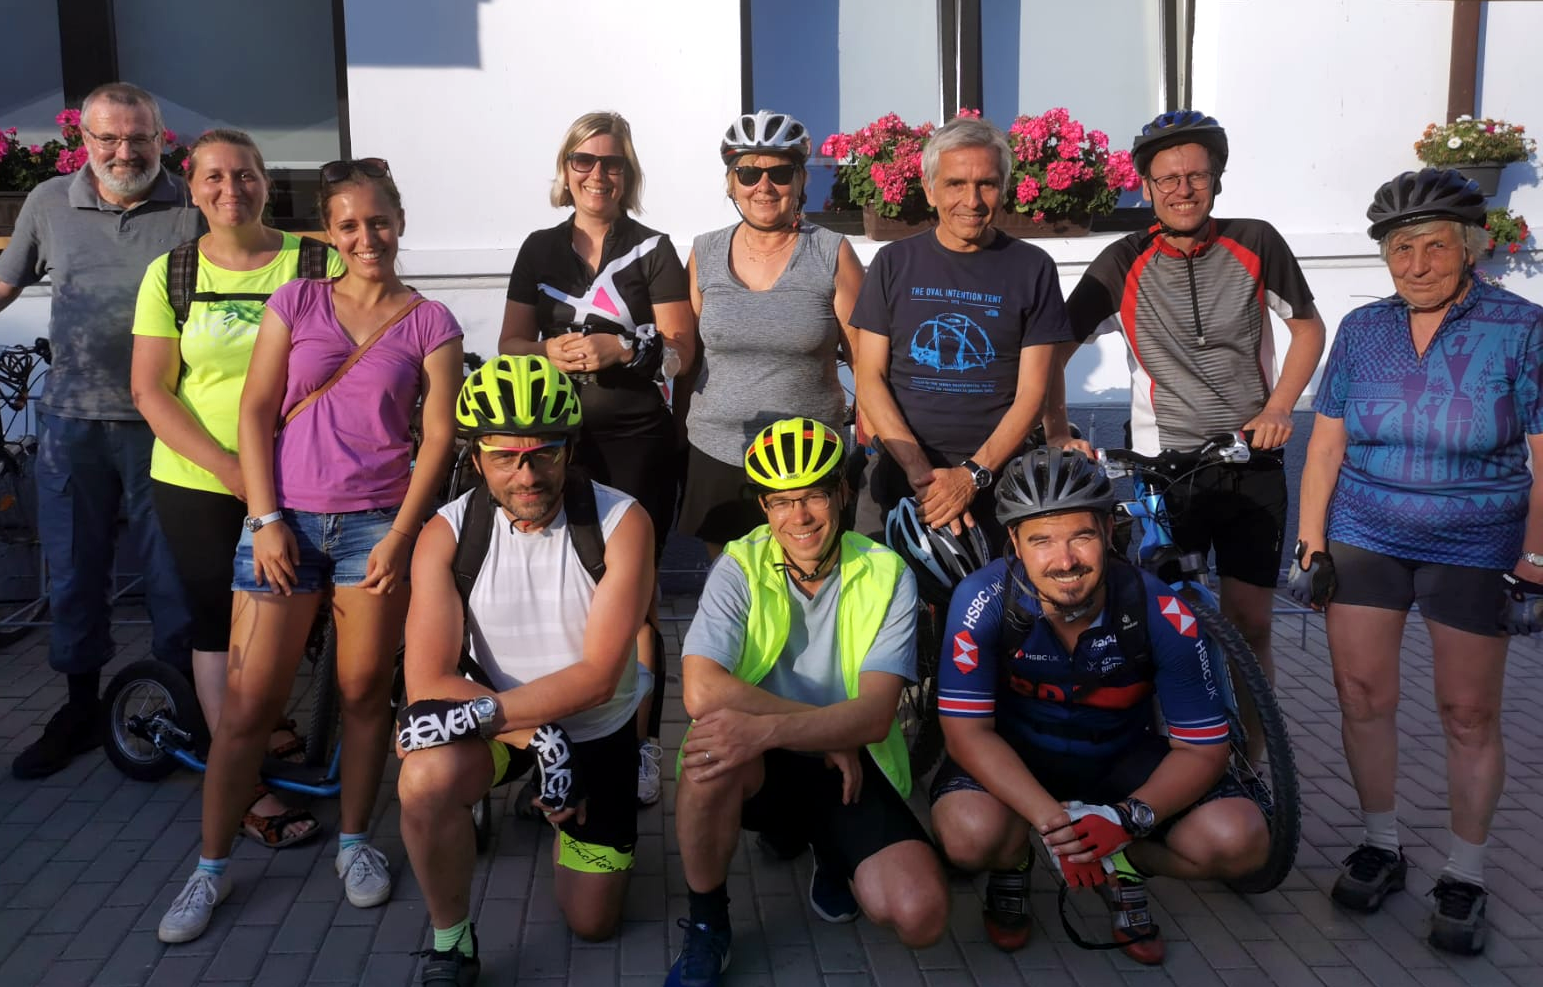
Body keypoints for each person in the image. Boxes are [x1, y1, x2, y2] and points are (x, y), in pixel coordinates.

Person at [157, 157, 464, 943]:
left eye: (379, 221)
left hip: (374, 529)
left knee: (363, 694)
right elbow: (256, 410)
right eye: (349, 225)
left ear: (400, 222)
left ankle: (355, 842)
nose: (367, 237)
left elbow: (437, 437)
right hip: (285, 523)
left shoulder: (430, 320)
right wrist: (264, 518)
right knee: (248, 708)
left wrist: (401, 535)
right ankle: (210, 866)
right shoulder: (296, 300)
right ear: (328, 233)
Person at [1291, 168, 1543, 956]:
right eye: (1400, 248)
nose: (1415, 263)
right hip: (1365, 530)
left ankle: (1464, 872)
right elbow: (1323, 445)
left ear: (1468, 248)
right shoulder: (1362, 328)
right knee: (1361, 694)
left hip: (1475, 540)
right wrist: (1310, 542)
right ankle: (1379, 842)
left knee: (1466, 713)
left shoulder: (1521, 328)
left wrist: (1535, 558)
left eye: (1433, 245)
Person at [930, 447, 1269, 965]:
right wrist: (1054, 825)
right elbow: (966, 735)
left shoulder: (1161, 609)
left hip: (1121, 767)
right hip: (1019, 759)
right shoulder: (982, 600)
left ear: (1109, 532)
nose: (1065, 560)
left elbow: (1203, 750)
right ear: (1014, 542)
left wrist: (1126, 820)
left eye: (1081, 537)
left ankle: (1123, 864)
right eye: (1042, 540)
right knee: (967, 836)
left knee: (1241, 841)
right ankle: (1013, 859)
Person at [397, 355, 654, 984]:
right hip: (510, 731)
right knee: (423, 779)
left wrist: (553, 740)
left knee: (592, 923)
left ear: (570, 450)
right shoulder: (447, 534)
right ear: (476, 458)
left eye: (544, 454)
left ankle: (556, 814)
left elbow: (598, 676)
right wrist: (541, 739)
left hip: (597, 729)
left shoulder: (622, 522)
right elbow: (427, 681)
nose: (527, 475)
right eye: (505, 458)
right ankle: (452, 942)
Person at [667, 418, 948, 987]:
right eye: (781, 501)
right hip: (779, 758)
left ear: (841, 492)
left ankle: (828, 847)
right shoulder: (738, 564)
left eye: (814, 496)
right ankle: (707, 923)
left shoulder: (886, 572)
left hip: (850, 759)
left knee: (920, 915)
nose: (798, 517)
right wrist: (820, 731)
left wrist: (774, 729)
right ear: (764, 507)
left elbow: (874, 716)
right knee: (706, 754)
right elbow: (700, 691)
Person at [1050, 110, 1326, 684]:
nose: (1183, 189)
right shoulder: (1122, 261)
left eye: (1196, 176)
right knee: (1169, 624)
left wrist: (1279, 407)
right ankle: (1181, 732)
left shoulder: (1255, 241)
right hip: (1164, 467)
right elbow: (1051, 350)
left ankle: (1254, 739)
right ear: (1147, 186)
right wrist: (1057, 430)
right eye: (1168, 178)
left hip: (1251, 457)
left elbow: (1307, 328)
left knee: (1251, 624)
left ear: (1216, 179)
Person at [130, 128, 344, 848]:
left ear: (266, 183)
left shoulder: (316, 262)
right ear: (192, 189)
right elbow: (151, 391)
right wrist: (232, 471)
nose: (232, 189)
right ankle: (242, 783)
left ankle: (264, 720)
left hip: (303, 476)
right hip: (199, 478)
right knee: (218, 622)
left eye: (246, 175)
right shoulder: (172, 273)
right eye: (215, 177)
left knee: (293, 613)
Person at [0, 83, 200, 780]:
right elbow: (6, 284)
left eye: (138, 137)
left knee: (172, 577)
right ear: (82, 140)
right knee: (76, 574)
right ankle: (80, 709)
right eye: (108, 138)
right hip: (72, 426)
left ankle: (175, 706)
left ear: (160, 138)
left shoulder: (193, 204)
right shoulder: (47, 202)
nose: (124, 151)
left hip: (168, 424)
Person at [500, 111, 694, 808]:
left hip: (636, 441)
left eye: (611, 162)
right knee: (559, 591)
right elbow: (510, 343)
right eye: (584, 160)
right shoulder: (538, 247)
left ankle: (641, 745)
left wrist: (625, 348)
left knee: (634, 597)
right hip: (554, 442)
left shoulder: (653, 248)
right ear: (566, 169)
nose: (597, 174)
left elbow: (681, 349)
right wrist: (545, 351)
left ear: (627, 172)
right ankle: (559, 741)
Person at [851, 114, 1070, 554]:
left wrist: (972, 476)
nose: (971, 200)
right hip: (902, 475)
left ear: (1004, 189)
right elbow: (869, 376)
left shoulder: (1033, 268)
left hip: (999, 479)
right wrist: (921, 474)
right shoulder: (893, 263)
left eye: (986, 184)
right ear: (930, 189)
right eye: (955, 184)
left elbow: (1033, 392)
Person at [678, 110, 864, 555]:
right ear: (731, 183)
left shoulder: (832, 252)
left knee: (811, 577)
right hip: (718, 450)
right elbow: (690, 359)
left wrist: (870, 450)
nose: (763, 185)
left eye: (779, 173)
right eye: (748, 173)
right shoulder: (704, 252)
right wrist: (676, 439)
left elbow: (865, 360)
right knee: (729, 582)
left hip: (809, 458)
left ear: (801, 181)